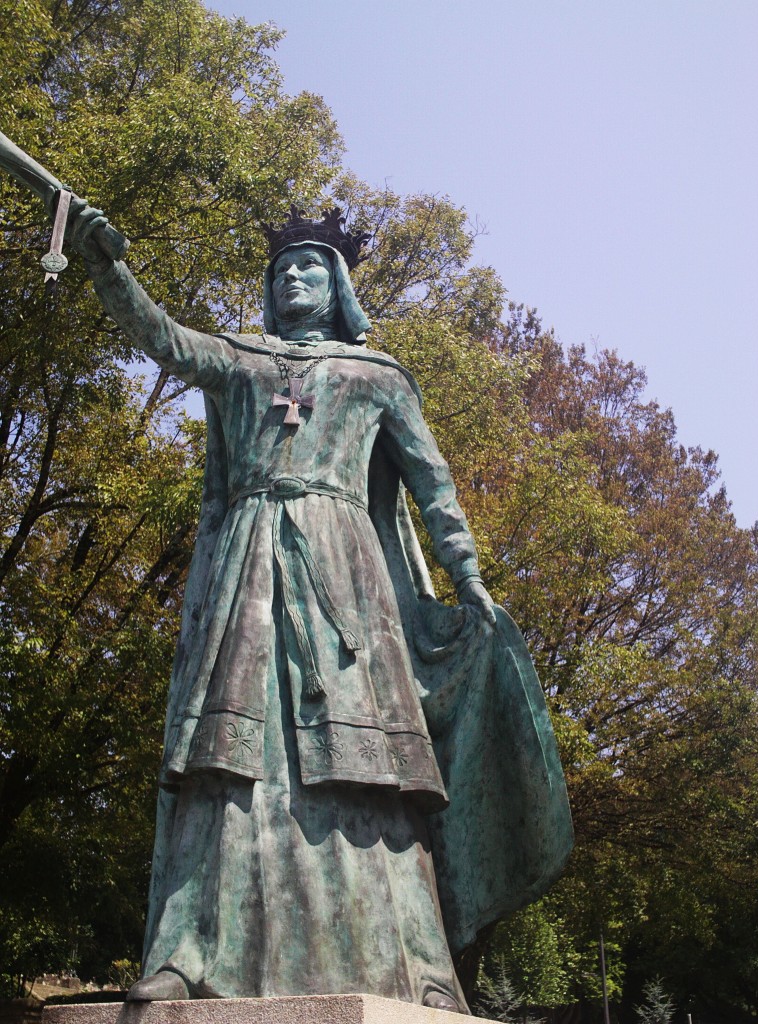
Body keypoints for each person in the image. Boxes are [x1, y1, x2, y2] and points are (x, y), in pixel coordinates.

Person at [60, 201, 572, 1012]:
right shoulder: (241, 360)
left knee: (367, 766)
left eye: (310, 267)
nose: (293, 278)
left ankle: (409, 964)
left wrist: (467, 576)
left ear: (339, 288)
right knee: (230, 756)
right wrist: (106, 264)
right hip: (248, 566)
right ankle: (191, 949)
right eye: (280, 270)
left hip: (346, 573)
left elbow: (433, 487)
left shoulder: (379, 377)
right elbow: (162, 336)